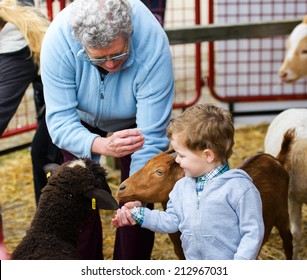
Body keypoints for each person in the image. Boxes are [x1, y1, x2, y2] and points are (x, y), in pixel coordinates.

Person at [40, 0, 174, 260]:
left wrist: (137, 197)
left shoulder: (152, 43)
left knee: (136, 200)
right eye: (99, 58)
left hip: (135, 119)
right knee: (77, 197)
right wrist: (100, 145)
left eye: (118, 54)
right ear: (80, 44)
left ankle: (131, 266)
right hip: (80, 118)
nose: (111, 65)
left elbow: (152, 133)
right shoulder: (58, 41)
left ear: (129, 33)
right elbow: (59, 123)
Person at [112, 103, 265, 260]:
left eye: (182, 155)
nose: (177, 160)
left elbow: (252, 232)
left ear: (208, 155)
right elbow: (172, 221)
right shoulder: (181, 187)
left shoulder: (239, 188)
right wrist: (139, 214)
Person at [0, 0, 63, 204]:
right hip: (53, 98)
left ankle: (51, 228)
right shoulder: (23, 20)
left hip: (70, 105)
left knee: (48, 157)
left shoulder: (16, 44)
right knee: (43, 153)